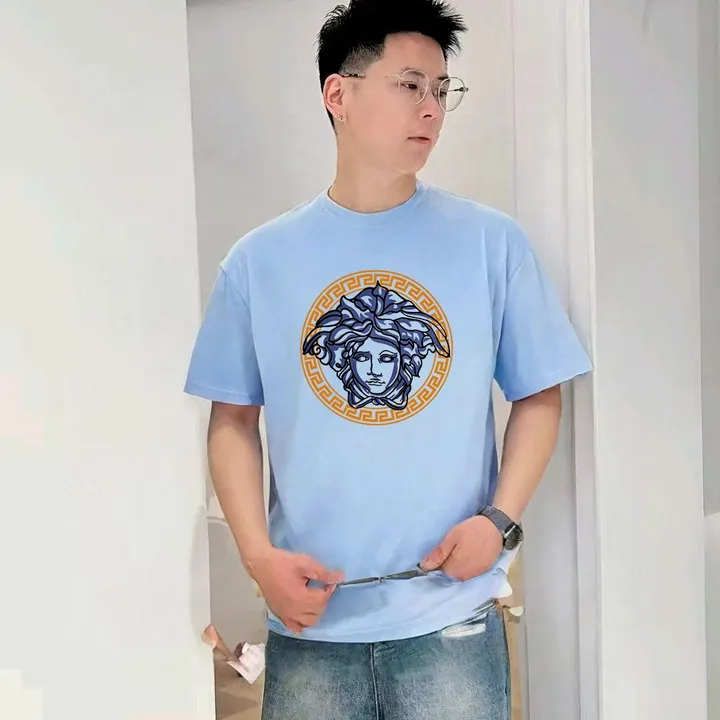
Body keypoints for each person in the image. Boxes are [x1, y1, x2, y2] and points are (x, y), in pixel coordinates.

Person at [184, 0, 593, 717]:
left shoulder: (490, 244)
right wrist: (258, 557)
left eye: (441, 89)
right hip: (312, 621)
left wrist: (498, 521)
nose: (431, 108)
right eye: (409, 85)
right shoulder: (258, 262)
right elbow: (232, 421)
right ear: (338, 94)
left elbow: (540, 394)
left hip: (450, 619)